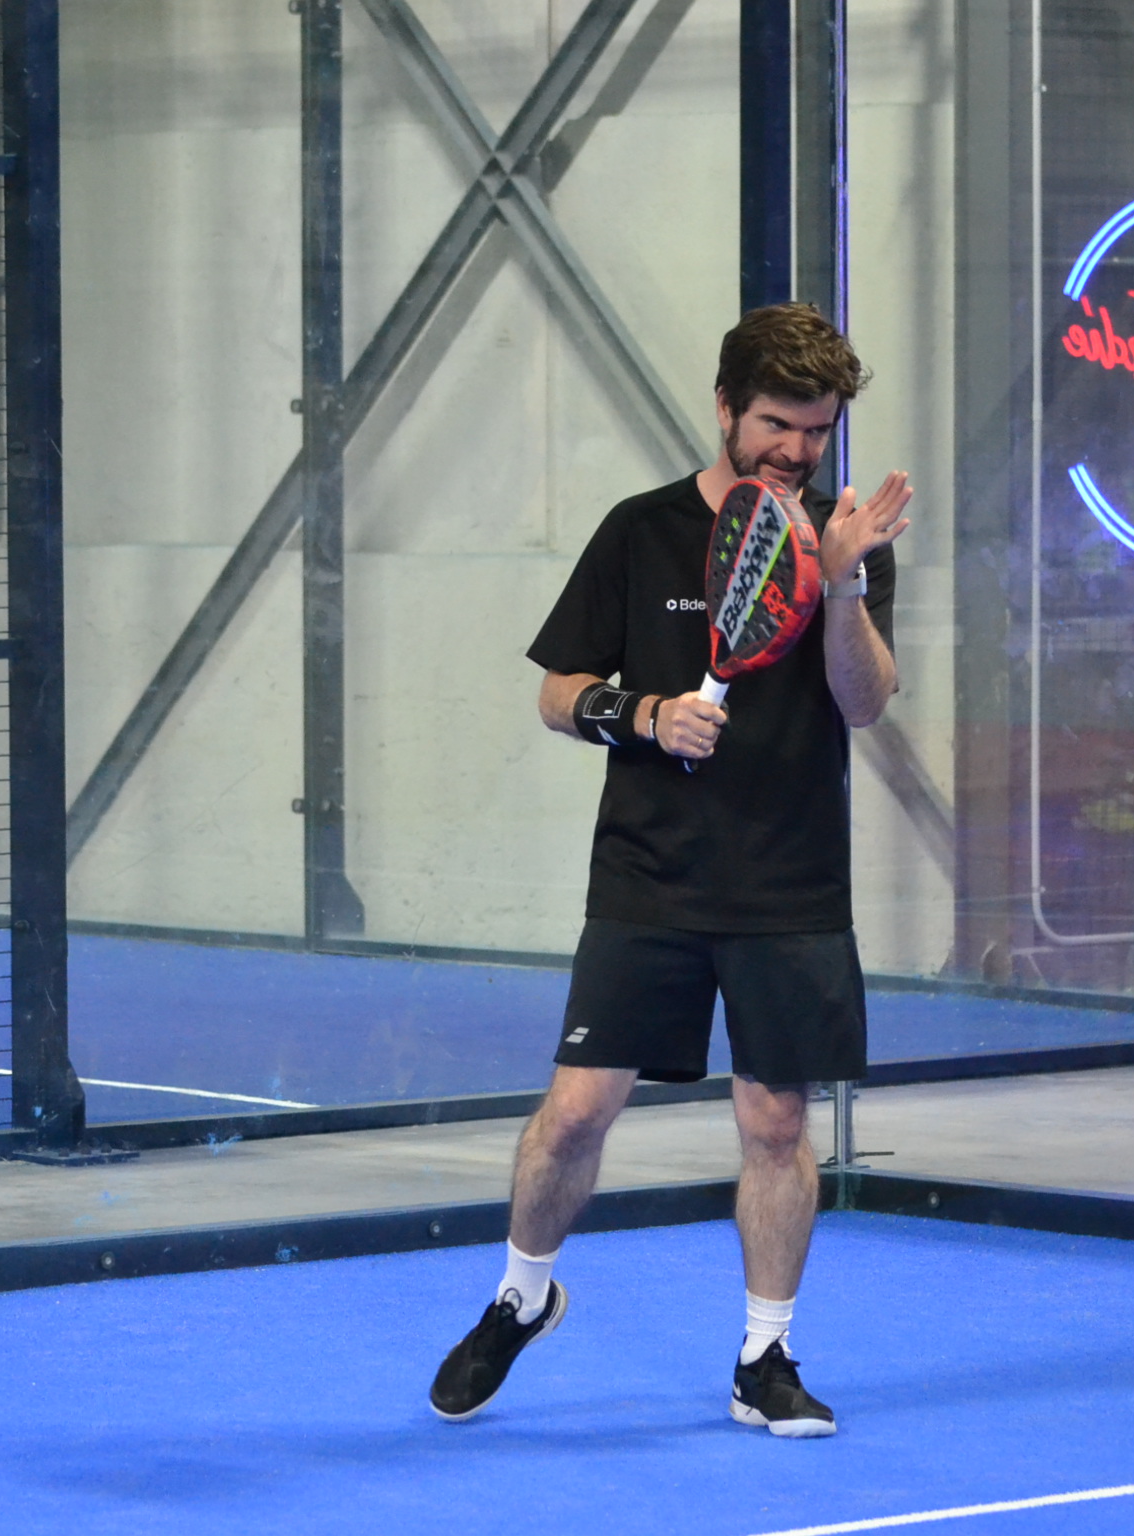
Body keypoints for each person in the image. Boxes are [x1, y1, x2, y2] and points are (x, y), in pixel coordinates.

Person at [428, 303, 913, 1438]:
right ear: (727, 409)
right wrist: (642, 714)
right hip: (647, 877)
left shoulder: (845, 538)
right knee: (575, 1112)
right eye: (777, 424)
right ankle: (522, 1296)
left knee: (776, 1126)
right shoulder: (640, 531)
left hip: (789, 884)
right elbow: (557, 693)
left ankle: (763, 1360)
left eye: (818, 430)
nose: (798, 450)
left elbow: (863, 704)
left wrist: (842, 584)